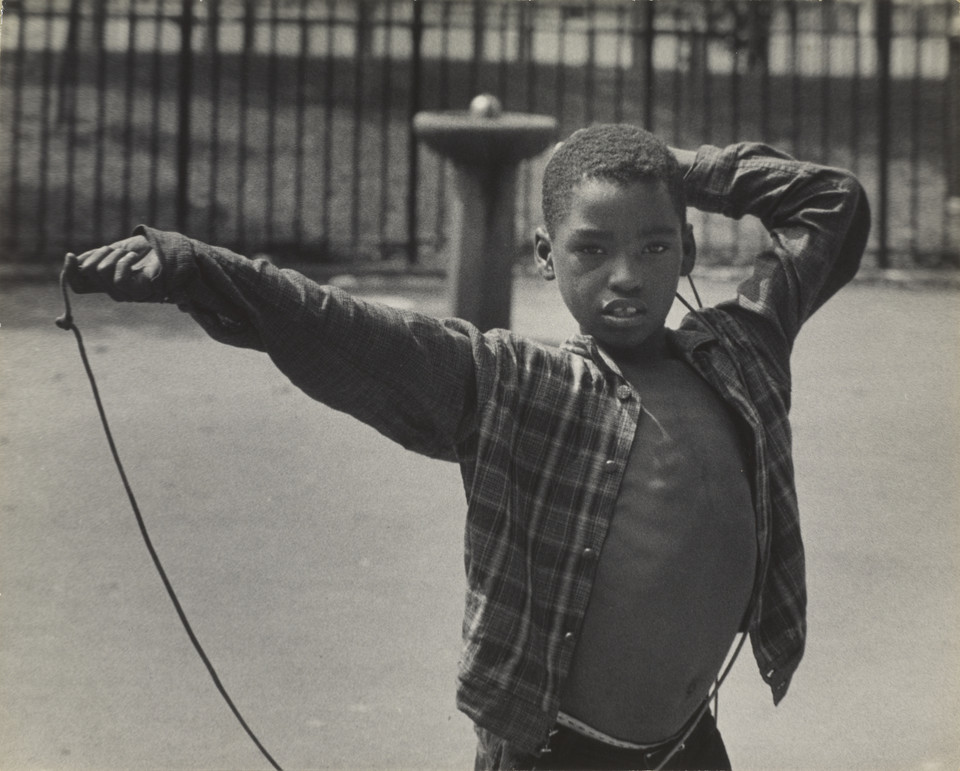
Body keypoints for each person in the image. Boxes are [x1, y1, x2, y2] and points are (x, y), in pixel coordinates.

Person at [66, 125, 870, 770]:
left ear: (688, 254)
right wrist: (195, 268)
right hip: (556, 754)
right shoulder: (519, 385)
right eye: (592, 249)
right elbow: (346, 332)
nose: (626, 274)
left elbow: (834, 206)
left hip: (690, 746)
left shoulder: (742, 351)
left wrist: (679, 168)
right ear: (547, 256)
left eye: (655, 246)